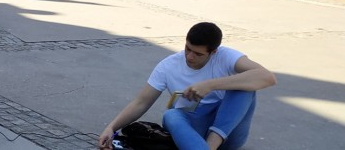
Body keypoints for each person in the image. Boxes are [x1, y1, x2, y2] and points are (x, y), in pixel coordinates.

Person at [98, 22, 276, 150]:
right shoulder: (168, 65)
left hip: (227, 131)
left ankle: (210, 146)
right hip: (192, 131)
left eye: (198, 54)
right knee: (171, 114)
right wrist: (111, 127)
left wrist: (210, 85)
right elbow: (141, 102)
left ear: (213, 52)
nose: (190, 56)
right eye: (187, 48)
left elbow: (267, 77)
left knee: (244, 88)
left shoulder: (226, 56)